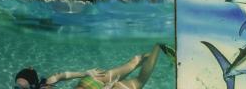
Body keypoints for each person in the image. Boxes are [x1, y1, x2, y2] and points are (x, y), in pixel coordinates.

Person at [14, 44, 171, 89]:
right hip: (89, 81)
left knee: (139, 81)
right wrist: (86, 73)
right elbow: (63, 75)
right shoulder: (46, 81)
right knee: (132, 63)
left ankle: (158, 48)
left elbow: (63, 75)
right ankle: (158, 50)